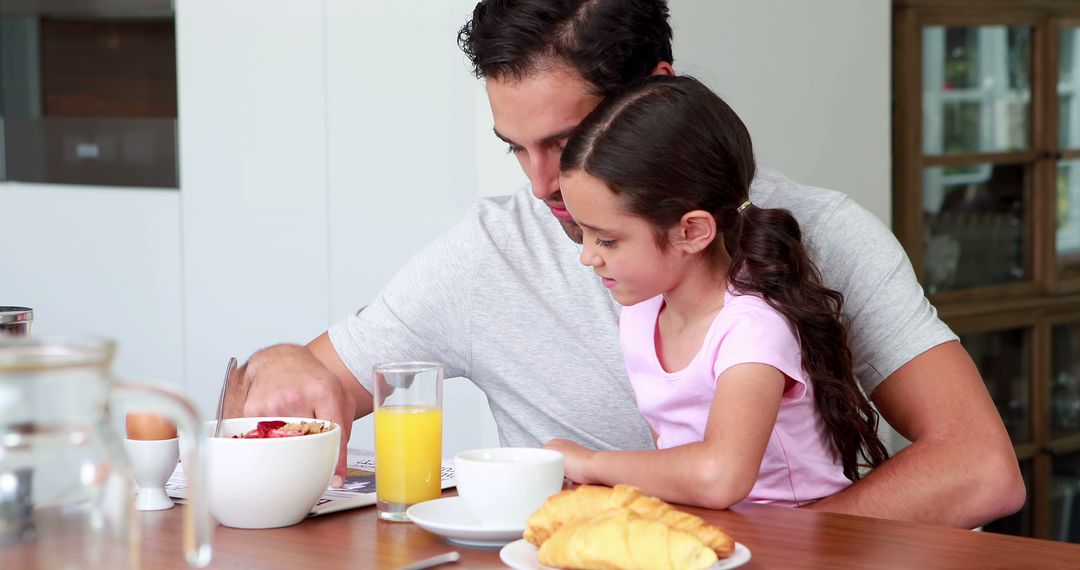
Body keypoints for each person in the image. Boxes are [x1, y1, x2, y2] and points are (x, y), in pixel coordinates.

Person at [225, 0, 1024, 527]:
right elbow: (319, 376)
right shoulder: (487, 253)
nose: (543, 188)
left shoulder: (821, 233)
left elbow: (981, 468)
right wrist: (287, 365)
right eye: (516, 149)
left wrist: (757, 549)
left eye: (566, 146)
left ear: (658, 97)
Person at [544, 74, 888, 509]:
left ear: (692, 231)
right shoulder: (642, 315)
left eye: (607, 240)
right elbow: (675, 469)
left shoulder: (752, 330)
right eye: (584, 234)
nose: (588, 257)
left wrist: (590, 463)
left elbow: (720, 477)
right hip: (722, 536)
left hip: (801, 543)